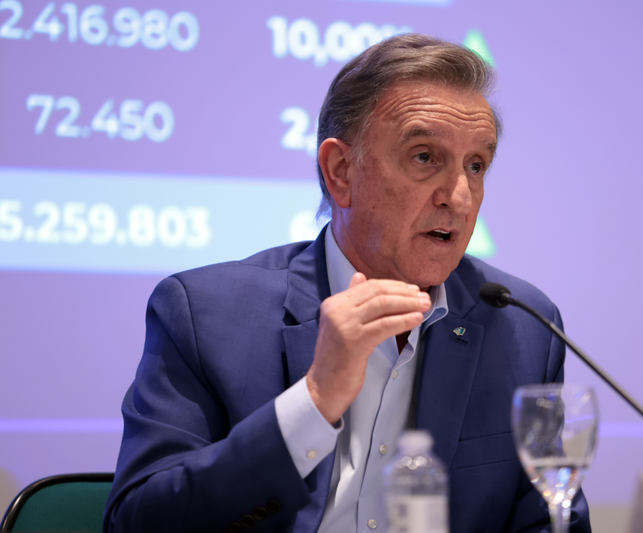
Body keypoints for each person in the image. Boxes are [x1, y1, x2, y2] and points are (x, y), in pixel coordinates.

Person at [104, 34, 591, 533]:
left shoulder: (521, 326)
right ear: (340, 172)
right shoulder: (205, 314)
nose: (460, 197)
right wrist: (314, 402)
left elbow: (550, 520)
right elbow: (139, 523)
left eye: (476, 165)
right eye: (425, 157)